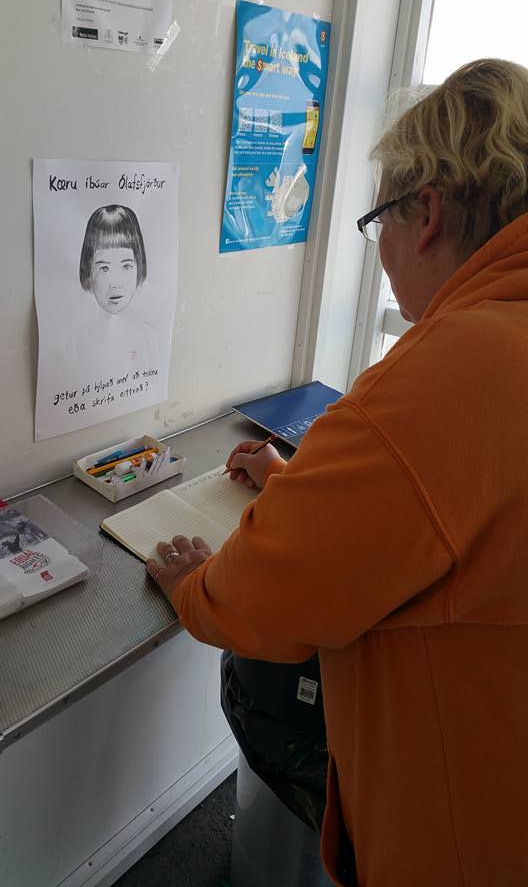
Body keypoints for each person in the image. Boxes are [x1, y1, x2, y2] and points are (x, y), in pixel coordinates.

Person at [146, 58, 528, 886]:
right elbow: (441, 524)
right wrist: (297, 484)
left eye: (377, 219)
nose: (380, 248)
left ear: (425, 214)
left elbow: (261, 602)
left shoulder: (447, 371)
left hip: (465, 837)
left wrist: (191, 586)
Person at [69, 205, 158, 378]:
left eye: (126, 266)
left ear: (139, 266)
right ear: (87, 270)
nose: (115, 284)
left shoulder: (149, 338)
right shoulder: (76, 343)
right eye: (104, 268)